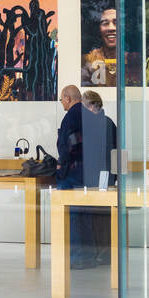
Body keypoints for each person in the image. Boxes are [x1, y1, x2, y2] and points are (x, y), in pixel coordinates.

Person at [56, 84, 96, 269]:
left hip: (72, 173)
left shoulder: (71, 117)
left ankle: (77, 256)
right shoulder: (89, 115)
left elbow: (70, 144)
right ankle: (89, 255)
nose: (62, 103)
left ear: (68, 98)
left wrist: (62, 162)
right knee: (86, 216)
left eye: (62, 99)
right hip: (88, 173)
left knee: (72, 217)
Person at [82, 89, 118, 265]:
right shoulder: (109, 122)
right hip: (108, 178)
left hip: (93, 178)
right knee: (105, 218)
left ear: (89, 106)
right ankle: (105, 254)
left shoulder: (89, 124)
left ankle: (100, 253)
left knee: (96, 219)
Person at [82, 6, 119, 87]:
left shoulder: (135, 60)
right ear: (99, 29)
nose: (111, 28)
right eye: (105, 23)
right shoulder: (88, 60)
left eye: (116, 22)